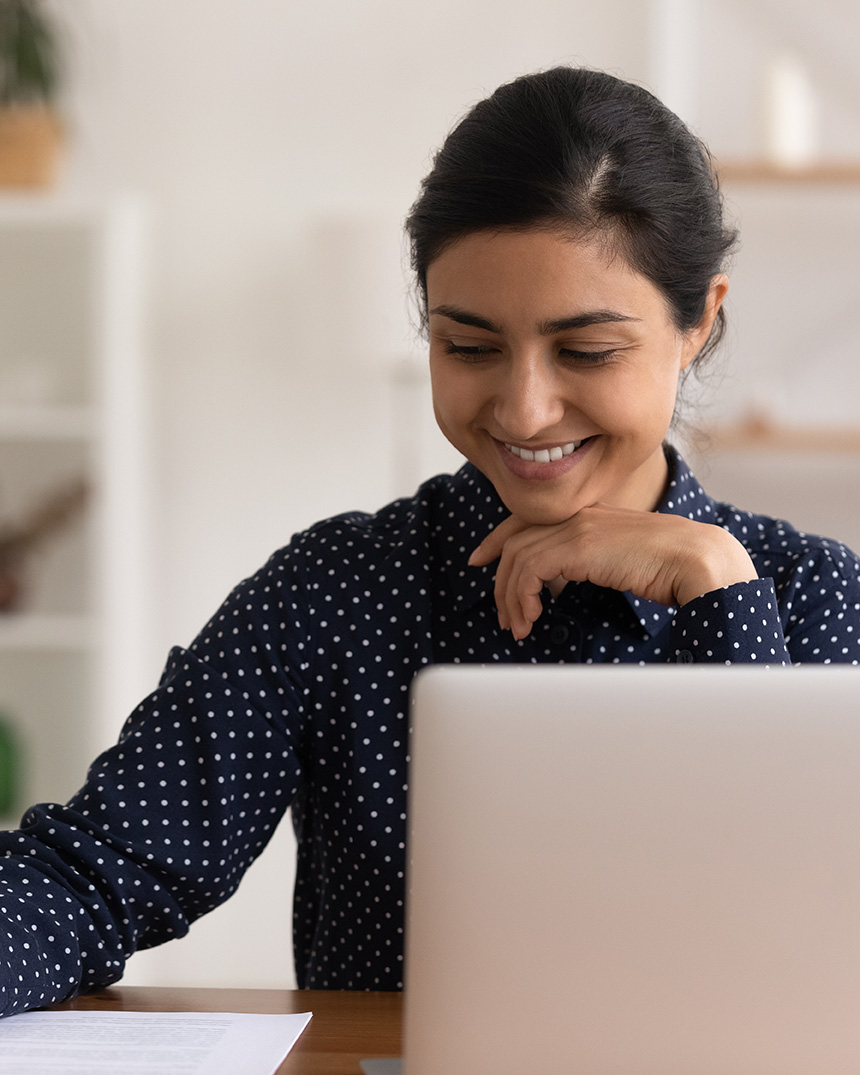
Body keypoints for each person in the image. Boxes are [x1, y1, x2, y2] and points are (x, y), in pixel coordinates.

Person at [1, 66, 859, 1017]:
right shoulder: (336, 590)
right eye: (471, 346)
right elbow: (88, 877)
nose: (525, 410)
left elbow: (814, 950)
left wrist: (721, 592)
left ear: (698, 319)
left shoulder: (816, 597)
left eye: (586, 351)